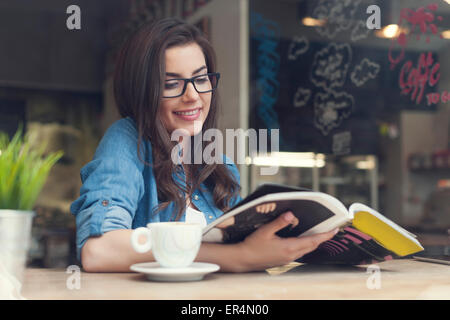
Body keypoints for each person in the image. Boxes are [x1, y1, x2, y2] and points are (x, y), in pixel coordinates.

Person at [70, 17, 337, 273]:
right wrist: (238, 258)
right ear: (142, 91)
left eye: (200, 79)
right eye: (171, 84)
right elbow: (98, 250)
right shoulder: (127, 140)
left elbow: (249, 248)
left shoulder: (221, 166)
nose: (193, 96)